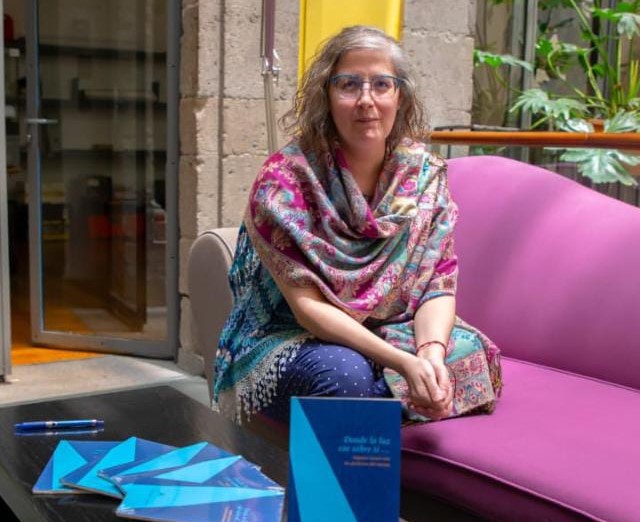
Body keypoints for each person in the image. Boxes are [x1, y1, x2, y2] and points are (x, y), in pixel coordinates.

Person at [213, 25, 502, 425]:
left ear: (400, 96)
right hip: (290, 334)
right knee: (345, 376)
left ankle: (396, 400)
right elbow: (307, 308)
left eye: (381, 84)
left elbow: (438, 284)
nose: (366, 100)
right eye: (349, 85)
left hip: (392, 327)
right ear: (326, 97)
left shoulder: (424, 176)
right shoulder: (285, 181)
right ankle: (380, 413)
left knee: (468, 353)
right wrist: (402, 363)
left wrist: (430, 355)